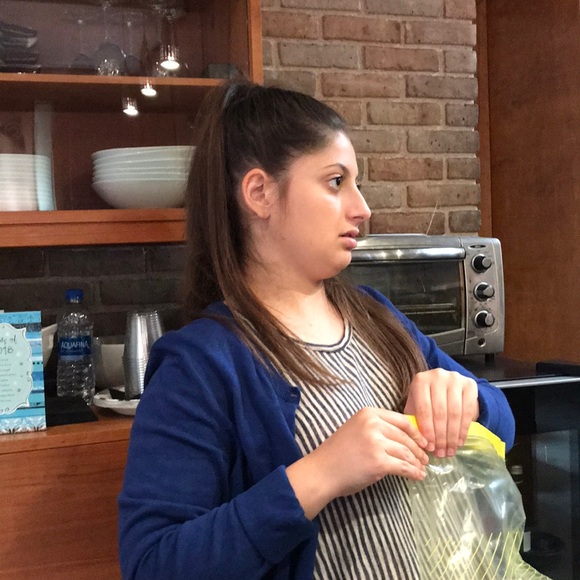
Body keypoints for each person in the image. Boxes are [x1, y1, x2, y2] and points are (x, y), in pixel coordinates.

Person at [118, 81, 515, 580]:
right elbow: (153, 564)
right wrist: (320, 474)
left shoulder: (375, 317)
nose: (362, 208)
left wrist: (467, 400)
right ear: (260, 193)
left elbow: (503, 425)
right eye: (335, 182)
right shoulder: (200, 364)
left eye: (356, 183)